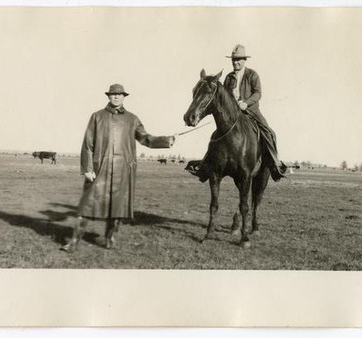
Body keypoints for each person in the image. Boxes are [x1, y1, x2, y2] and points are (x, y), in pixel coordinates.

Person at [62, 84, 176, 251]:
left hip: (123, 170)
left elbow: (146, 138)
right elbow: (87, 144)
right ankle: (73, 243)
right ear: (108, 96)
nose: (116, 97)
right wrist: (87, 169)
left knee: (117, 208)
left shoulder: (132, 119)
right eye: (113, 94)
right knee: (85, 206)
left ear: (124, 97)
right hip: (100, 168)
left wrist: (166, 141)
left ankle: (110, 240)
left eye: (119, 94)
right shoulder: (97, 116)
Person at [189, 44, 287, 182]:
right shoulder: (228, 77)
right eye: (234, 60)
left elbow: (258, 93)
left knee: (268, 132)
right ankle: (204, 166)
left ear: (244, 60)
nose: (236, 62)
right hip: (233, 115)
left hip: (251, 112)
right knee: (216, 135)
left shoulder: (252, 75)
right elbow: (224, 97)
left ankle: (275, 164)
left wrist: (246, 103)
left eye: (239, 59)